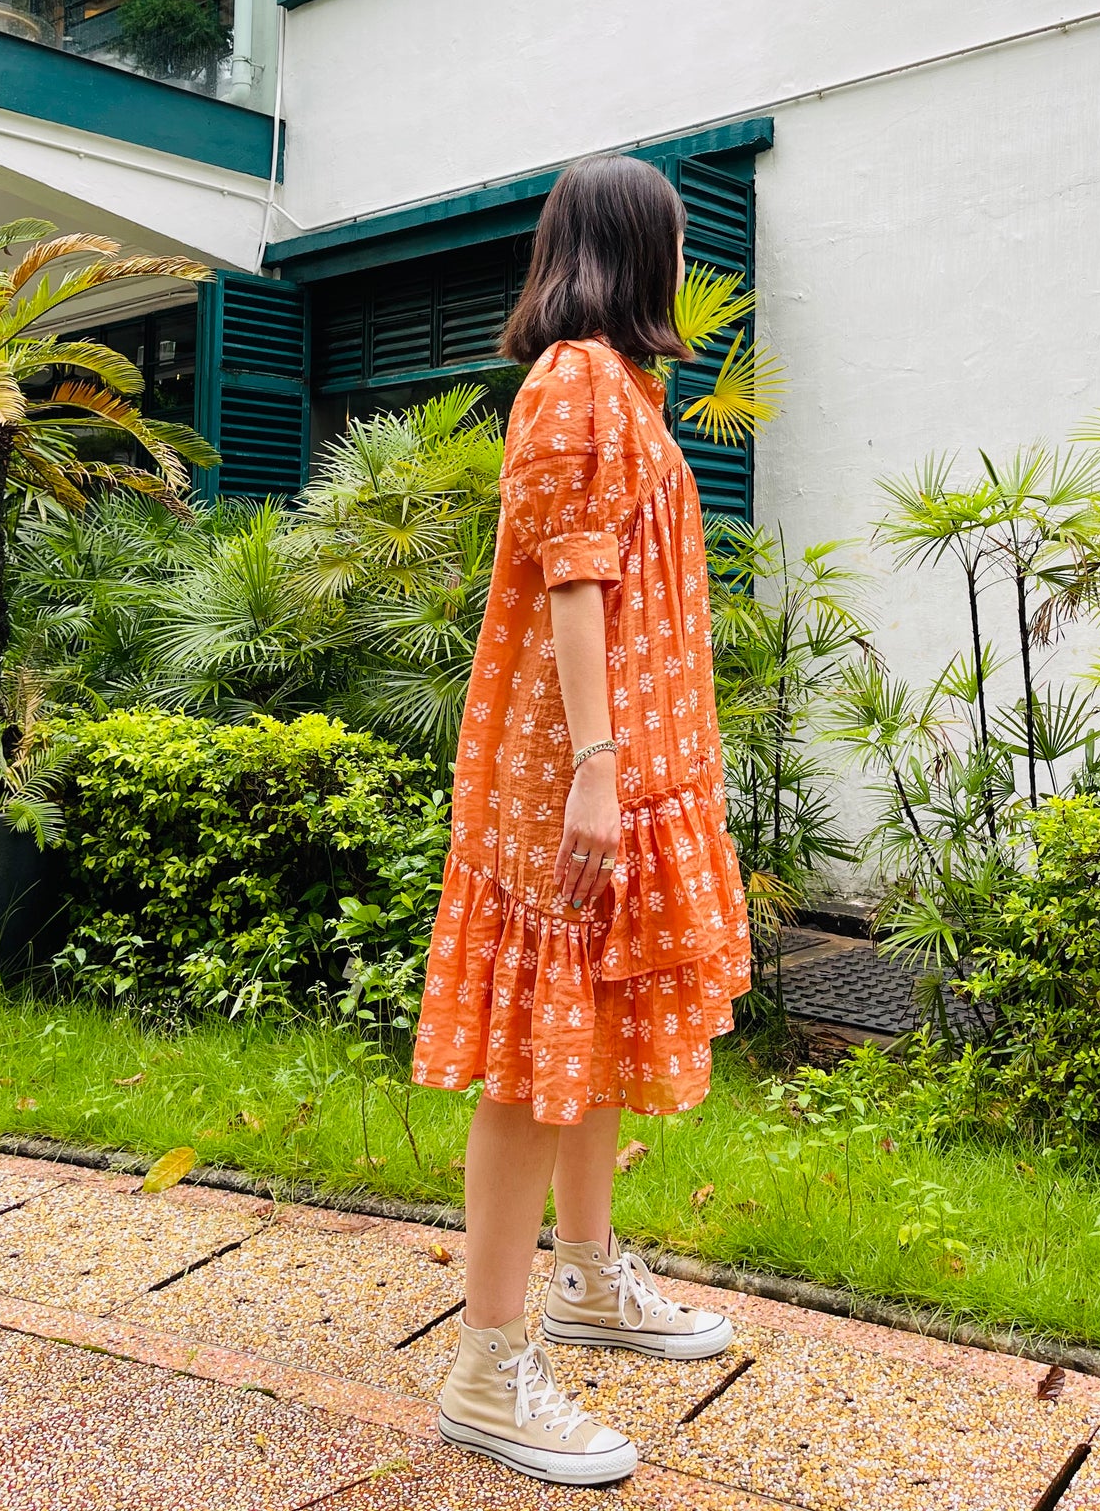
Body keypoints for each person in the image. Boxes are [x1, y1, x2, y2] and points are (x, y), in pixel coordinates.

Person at [412, 153, 751, 1485]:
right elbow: (572, 588)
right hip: (568, 781)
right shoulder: (570, 386)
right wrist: (601, 773)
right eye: (672, 241)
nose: (681, 262)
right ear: (631, 250)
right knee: (534, 1056)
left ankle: (590, 1279)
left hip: (624, 772)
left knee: (593, 1031)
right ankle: (489, 1367)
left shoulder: (624, 388)